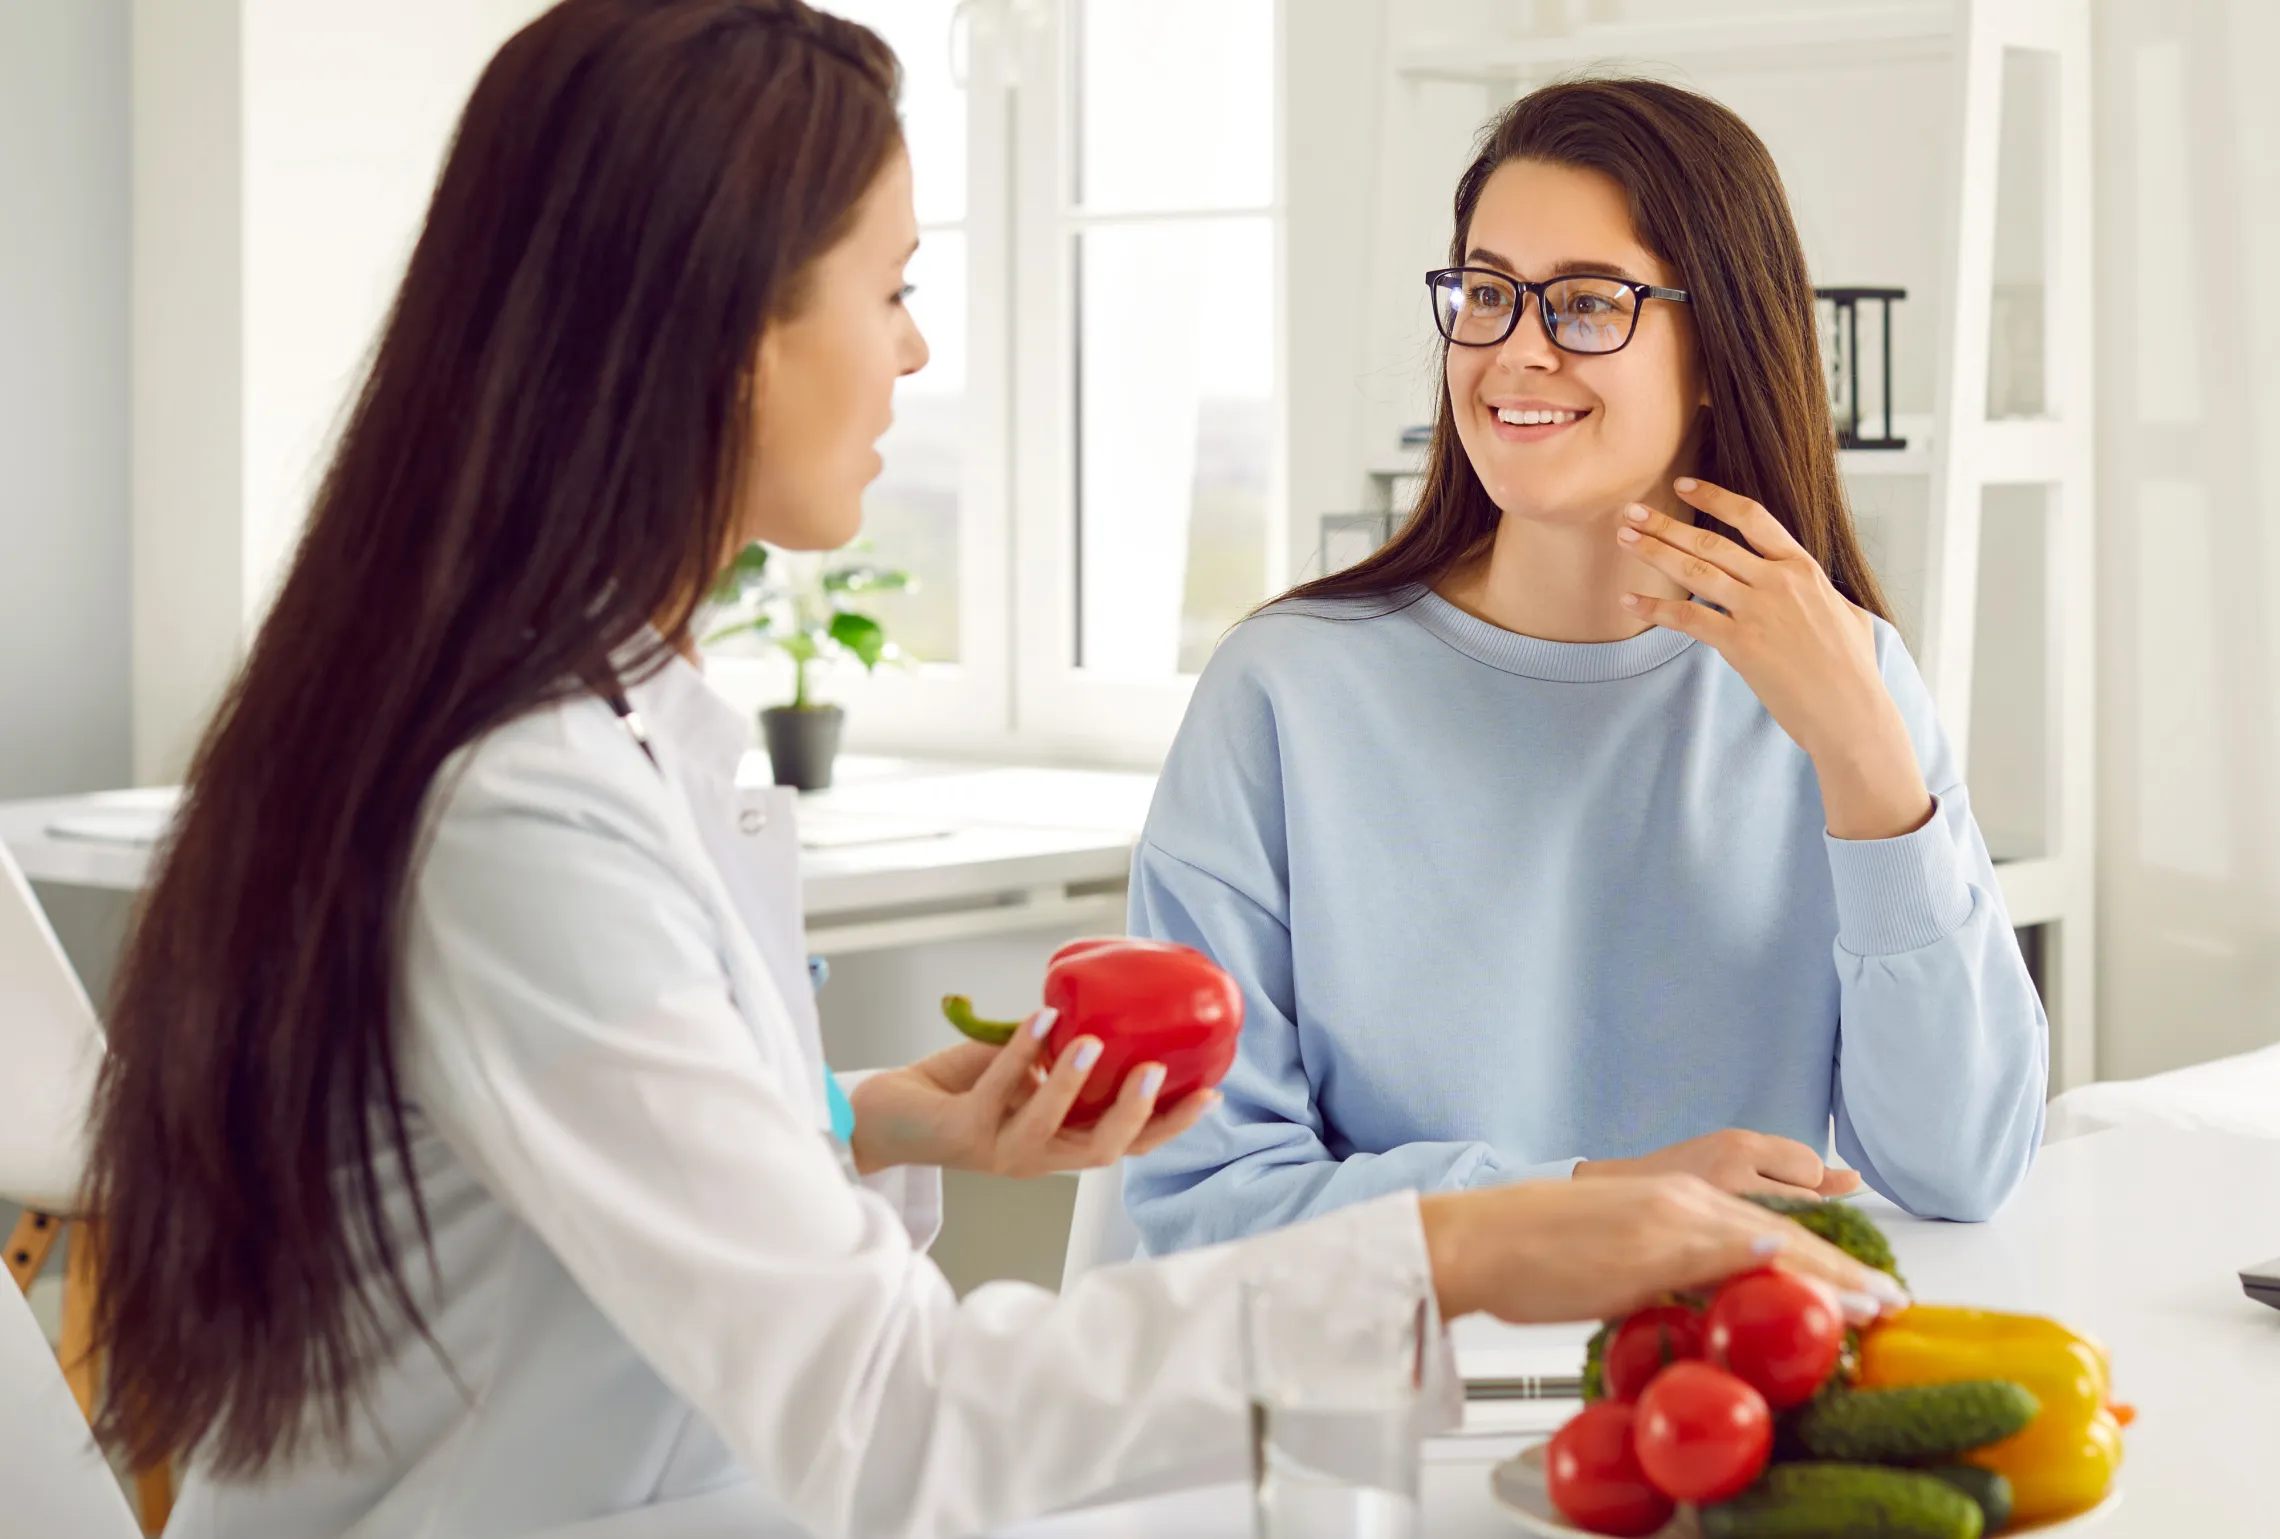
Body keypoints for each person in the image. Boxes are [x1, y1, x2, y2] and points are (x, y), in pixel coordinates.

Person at [79, 13, 1904, 1539]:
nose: (917, 349)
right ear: (725, 335)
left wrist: (874, 1115)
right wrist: (1486, 1240)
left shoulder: (618, 720)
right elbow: (896, 1416)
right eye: (891, 288)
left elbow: (560, 1143)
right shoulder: (520, 805)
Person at [1124, 78, 2048, 1258]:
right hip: (1389, 1399)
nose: (1517, 351)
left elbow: (1961, 1167)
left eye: (1587, 304)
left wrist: (1864, 756)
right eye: (1491, 294)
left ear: (1720, 351)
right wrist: (1597, 1199)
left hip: (1728, 1392)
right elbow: (1202, 1201)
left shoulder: (1847, 676)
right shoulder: (1283, 695)